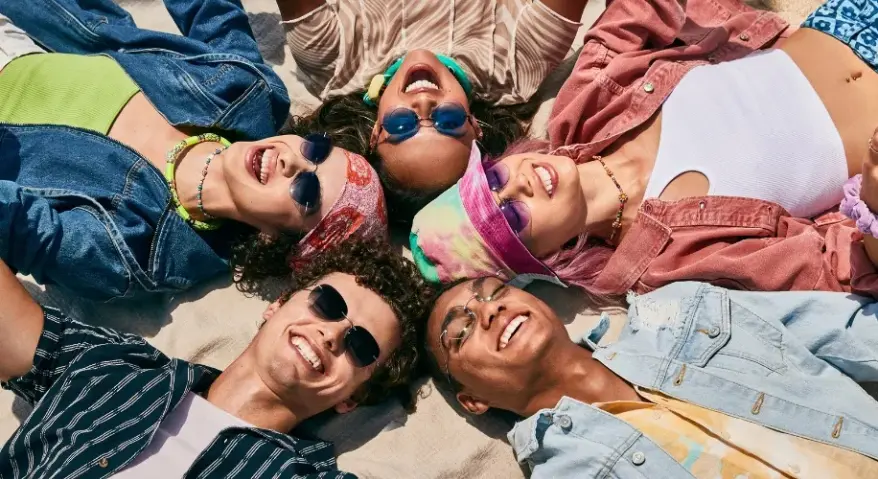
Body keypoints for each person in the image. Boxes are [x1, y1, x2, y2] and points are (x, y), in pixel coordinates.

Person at [409, 0, 878, 300]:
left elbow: (636, 13)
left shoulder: (581, 111)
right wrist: (873, 202)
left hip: (845, 23)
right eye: (512, 216)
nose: (519, 184)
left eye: (495, 179)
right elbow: (833, 269)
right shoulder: (668, 261)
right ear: (544, 259)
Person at [0, 0, 387, 302]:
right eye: (316, 151)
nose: (293, 160)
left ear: (273, 238)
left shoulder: (140, 252)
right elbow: (210, 11)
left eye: (306, 192)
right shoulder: (248, 94)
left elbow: (24, 228)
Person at [0, 238, 433, 477]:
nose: (333, 333)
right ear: (277, 305)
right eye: (328, 303)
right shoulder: (120, 368)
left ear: (353, 399)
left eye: (361, 346)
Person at [424, 276, 878, 477]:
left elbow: (848, 330)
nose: (490, 311)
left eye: (496, 292)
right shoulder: (571, 472)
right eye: (461, 330)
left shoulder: (684, 313)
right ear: (473, 401)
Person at [276, 0, 591, 220]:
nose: (424, 104)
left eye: (401, 124)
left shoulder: (331, 61)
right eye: (448, 120)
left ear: (375, 131)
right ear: (476, 126)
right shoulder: (520, 64)